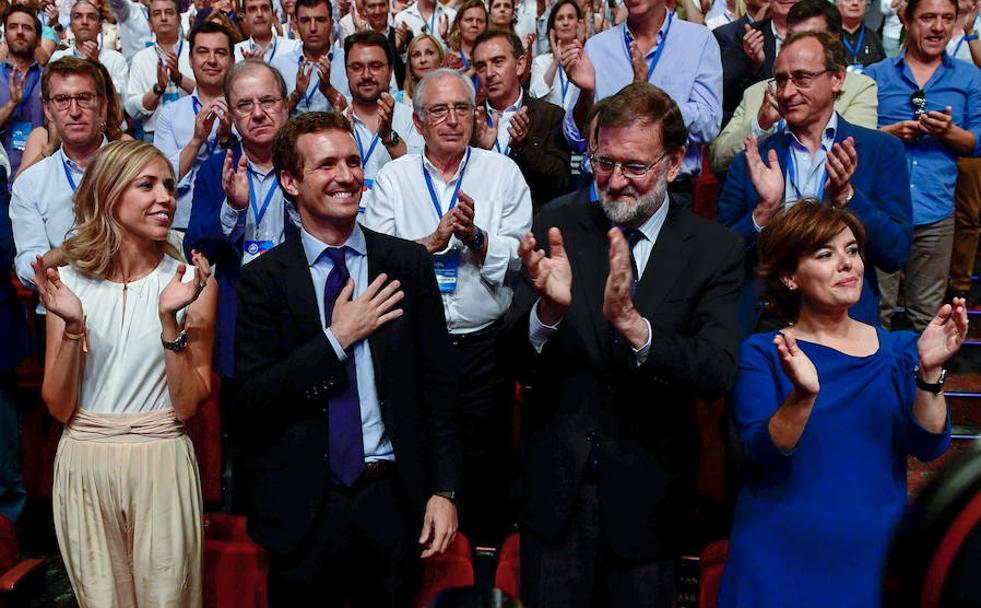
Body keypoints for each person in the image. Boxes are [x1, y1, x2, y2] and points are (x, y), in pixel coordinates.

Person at [500, 82, 742, 608]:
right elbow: (511, 359)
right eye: (603, 163)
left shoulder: (713, 250)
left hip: (649, 506)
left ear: (675, 163)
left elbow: (717, 370)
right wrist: (548, 313)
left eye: (634, 167)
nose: (614, 181)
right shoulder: (557, 226)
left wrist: (637, 328)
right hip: (555, 500)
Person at [236, 111, 461, 606]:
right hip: (302, 509)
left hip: (393, 500)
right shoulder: (263, 280)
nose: (346, 176)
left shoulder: (407, 264)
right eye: (327, 165)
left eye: (353, 161)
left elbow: (440, 390)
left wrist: (444, 492)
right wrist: (336, 340)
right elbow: (252, 399)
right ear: (290, 182)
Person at [717, 201, 964, 607]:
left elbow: (928, 445)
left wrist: (930, 373)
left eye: (852, 251)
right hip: (777, 555)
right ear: (788, 276)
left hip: (872, 555)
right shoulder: (764, 352)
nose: (847, 264)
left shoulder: (902, 348)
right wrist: (802, 397)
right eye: (825, 254)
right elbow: (761, 456)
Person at [35, 139, 216, 608]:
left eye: (170, 187)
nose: (165, 198)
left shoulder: (191, 282)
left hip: (161, 456)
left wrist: (169, 320)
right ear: (110, 194)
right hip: (84, 457)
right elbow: (57, 405)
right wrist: (74, 325)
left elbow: (188, 403)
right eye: (147, 185)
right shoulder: (67, 283)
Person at [364, 68, 532, 549]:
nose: (452, 120)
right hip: (414, 344)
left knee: (484, 464)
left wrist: (476, 239)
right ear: (417, 122)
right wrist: (433, 243)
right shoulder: (393, 178)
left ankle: (479, 570)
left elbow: (522, 258)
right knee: (419, 457)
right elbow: (378, 261)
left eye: (462, 108)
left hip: (485, 346)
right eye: (439, 110)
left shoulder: (503, 173)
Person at [718, 31, 911, 336]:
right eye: (781, 80)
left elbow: (895, 252)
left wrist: (847, 196)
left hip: (846, 322)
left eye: (802, 78)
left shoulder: (879, 151)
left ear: (837, 79)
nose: (787, 92)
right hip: (765, 320)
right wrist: (764, 212)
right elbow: (723, 255)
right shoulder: (753, 158)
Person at [865, 0, 981, 331]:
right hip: (882, 213)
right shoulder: (877, 75)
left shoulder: (969, 77)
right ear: (907, 19)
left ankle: (922, 383)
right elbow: (854, 138)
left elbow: (977, 141)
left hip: (937, 212)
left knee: (926, 318)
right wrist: (891, 134)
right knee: (875, 315)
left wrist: (949, 132)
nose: (938, 27)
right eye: (928, 18)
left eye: (947, 19)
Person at [184, 59, 293, 381]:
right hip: (238, 311)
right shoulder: (215, 170)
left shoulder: (311, 164)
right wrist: (233, 207)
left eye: (268, 101)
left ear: (285, 106)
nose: (258, 113)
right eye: (244, 105)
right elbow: (196, 245)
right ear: (230, 117)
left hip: (299, 307)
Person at [560, 0, 723, 209]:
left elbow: (709, 125)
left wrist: (651, 100)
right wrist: (586, 93)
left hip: (669, 191)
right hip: (606, 187)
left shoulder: (699, 40)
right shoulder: (598, 47)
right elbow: (575, 139)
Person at [710, 0, 880, 174]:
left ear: (835, 39)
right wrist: (761, 125)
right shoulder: (759, 92)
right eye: (792, 38)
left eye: (811, 38)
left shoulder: (859, 87)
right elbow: (718, 160)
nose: (799, 48)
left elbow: (859, 156)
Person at [10, 57, 112, 288]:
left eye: (84, 98)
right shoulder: (30, 183)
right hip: (61, 305)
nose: (74, 111)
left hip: (132, 300)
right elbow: (28, 267)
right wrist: (75, 249)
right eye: (63, 100)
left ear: (103, 106)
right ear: (48, 109)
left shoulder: (136, 168)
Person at [472, 28, 570, 209]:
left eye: (498, 62)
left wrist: (525, 148)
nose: (489, 73)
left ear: (520, 65)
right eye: (481, 66)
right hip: (482, 224)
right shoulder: (470, 121)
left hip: (534, 226)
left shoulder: (550, 116)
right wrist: (480, 152)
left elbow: (561, 181)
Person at [155, 21, 235, 232]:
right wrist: (197, 140)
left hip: (237, 221)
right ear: (190, 60)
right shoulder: (170, 114)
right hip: (183, 224)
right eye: (202, 52)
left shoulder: (246, 111)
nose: (211, 60)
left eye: (220, 53)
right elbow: (164, 180)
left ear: (232, 60)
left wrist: (228, 139)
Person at [342, 30, 422, 196]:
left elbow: (421, 179)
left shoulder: (415, 120)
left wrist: (389, 138)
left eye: (375, 66)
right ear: (346, 72)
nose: (366, 75)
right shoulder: (335, 125)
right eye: (357, 67)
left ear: (391, 71)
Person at [124, 0, 196, 142]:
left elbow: (209, 95)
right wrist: (158, 89)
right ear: (150, 24)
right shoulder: (140, 59)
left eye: (169, 12)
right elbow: (132, 110)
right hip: (154, 135)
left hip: (193, 133)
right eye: (157, 14)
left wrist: (179, 78)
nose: (163, 17)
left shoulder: (195, 51)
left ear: (180, 19)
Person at [713, 0, 792, 124]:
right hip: (754, 130)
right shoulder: (744, 37)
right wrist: (752, 64)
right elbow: (722, 98)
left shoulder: (824, 34)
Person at [270, 0, 349, 115]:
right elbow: (274, 116)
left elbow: (358, 113)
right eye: (305, 21)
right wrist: (296, 95)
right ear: (295, 25)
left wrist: (328, 90)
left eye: (320, 20)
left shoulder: (348, 62)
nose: (313, 28)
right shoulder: (279, 65)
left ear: (331, 24)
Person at [0, 5, 45, 180]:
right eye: (13, 27)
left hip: (39, 176)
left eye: (26, 27)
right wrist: (11, 104)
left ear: (39, 40)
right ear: (5, 36)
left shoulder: (50, 79)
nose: (19, 32)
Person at [49, 0, 129, 96]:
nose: (84, 22)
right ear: (71, 27)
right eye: (78, 17)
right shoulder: (58, 59)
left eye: (91, 17)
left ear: (100, 27)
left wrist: (97, 66)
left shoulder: (116, 60)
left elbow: (122, 101)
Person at [528, 0, 584, 111]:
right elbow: (535, 96)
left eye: (571, 17)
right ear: (552, 28)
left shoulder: (587, 59)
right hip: (549, 125)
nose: (566, 23)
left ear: (579, 24)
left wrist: (581, 48)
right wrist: (556, 61)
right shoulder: (541, 62)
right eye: (560, 18)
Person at [233, 0, 301, 62]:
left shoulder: (294, 48)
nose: (259, 14)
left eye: (265, 8)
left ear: (273, 14)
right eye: (253, 9)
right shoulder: (235, 54)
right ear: (244, 17)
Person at [441, 0, 486, 85]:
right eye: (469, 20)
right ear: (458, 24)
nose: (474, 24)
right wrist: (471, 72)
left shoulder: (492, 58)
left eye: (480, 21)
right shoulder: (448, 61)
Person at [398, 32, 444, 105]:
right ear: (410, 64)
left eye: (429, 53)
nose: (423, 60)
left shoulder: (455, 94)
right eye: (416, 55)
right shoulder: (397, 102)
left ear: (441, 60)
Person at [837, 0, 885, 69]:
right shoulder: (828, 36)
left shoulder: (873, 37)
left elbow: (882, 69)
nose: (855, 3)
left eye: (860, 0)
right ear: (837, 4)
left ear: (867, 5)